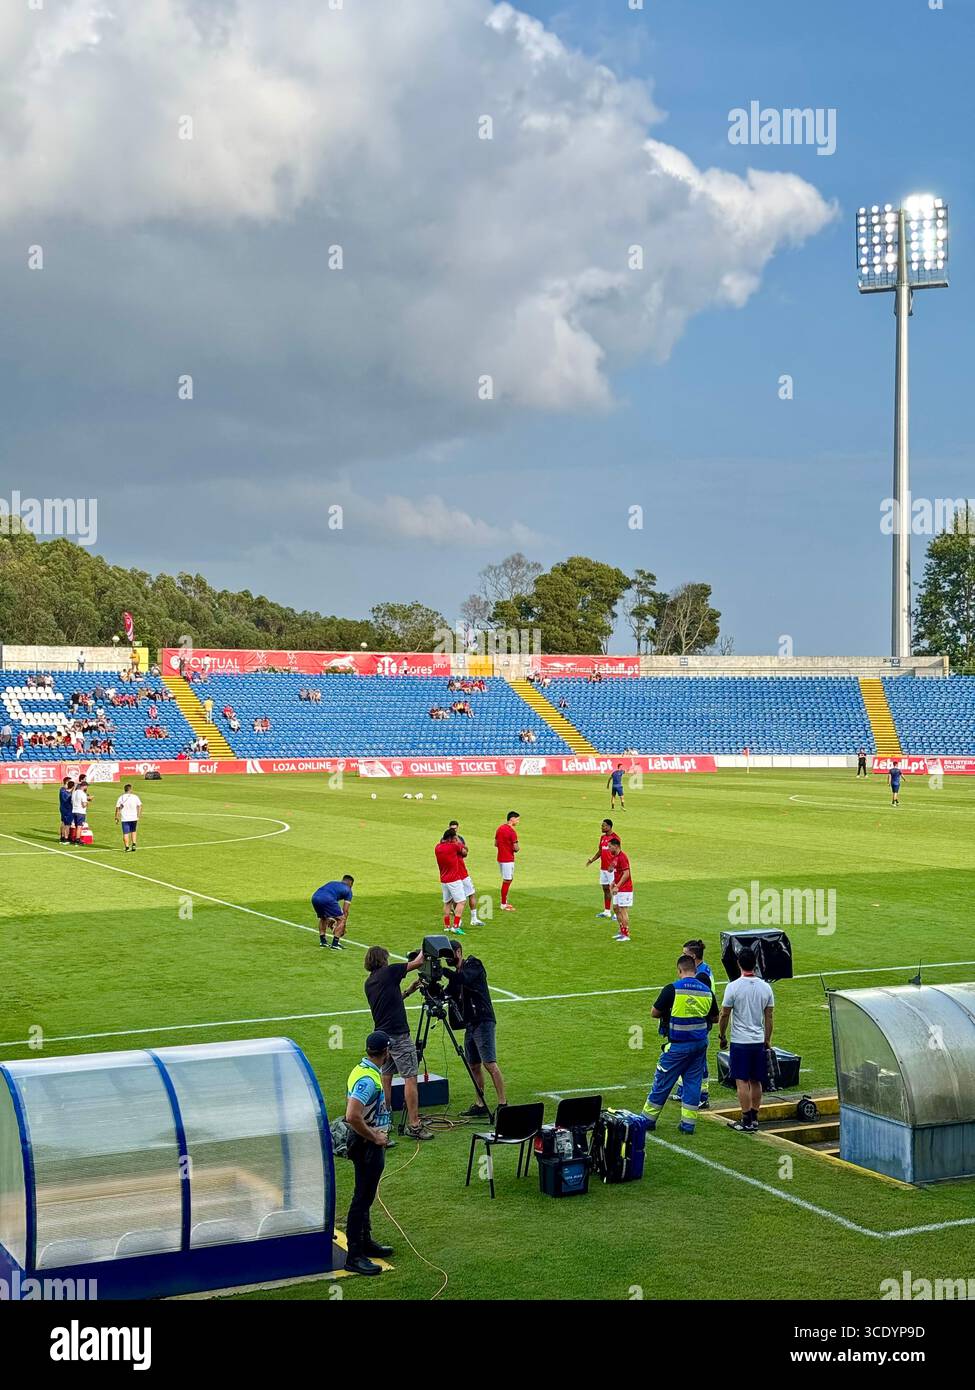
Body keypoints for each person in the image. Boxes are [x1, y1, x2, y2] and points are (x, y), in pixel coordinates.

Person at [363, 946, 433, 1140]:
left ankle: (386, 1120)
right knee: (410, 1077)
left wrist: (408, 992)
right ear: (382, 959)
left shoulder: (369, 983)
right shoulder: (390, 971)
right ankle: (414, 1124)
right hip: (400, 1035)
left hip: (383, 1037)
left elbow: (389, 1001)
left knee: (386, 1077)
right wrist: (426, 948)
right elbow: (418, 962)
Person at [643, 954, 717, 1135]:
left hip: (678, 1046)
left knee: (663, 1080)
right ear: (695, 969)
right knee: (693, 1083)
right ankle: (688, 1124)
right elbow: (714, 1018)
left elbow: (654, 1012)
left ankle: (647, 1120)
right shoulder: (706, 990)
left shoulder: (673, 989)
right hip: (699, 1045)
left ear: (679, 970)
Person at [343, 1031, 394, 1277]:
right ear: (386, 1052)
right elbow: (352, 1115)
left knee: (365, 1195)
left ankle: (365, 1242)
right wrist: (375, 1136)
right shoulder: (368, 1080)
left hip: (365, 1142)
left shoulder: (361, 1070)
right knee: (362, 1198)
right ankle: (354, 1255)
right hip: (366, 1145)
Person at [444, 940, 506, 1118]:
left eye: (449, 954)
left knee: (489, 1064)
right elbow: (447, 992)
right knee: (474, 1065)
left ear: (458, 952)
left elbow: (464, 978)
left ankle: (503, 1102)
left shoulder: (473, 964)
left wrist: (444, 972)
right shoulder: (456, 974)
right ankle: (480, 1104)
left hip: (483, 1020)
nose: (447, 958)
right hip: (470, 1024)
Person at [718, 947, 775, 1134]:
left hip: (740, 1042)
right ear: (755, 963)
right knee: (756, 1080)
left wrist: (722, 1035)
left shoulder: (733, 987)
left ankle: (745, 1119)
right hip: (758, 1040)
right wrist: (767, 1039)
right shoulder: (766, 987)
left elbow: (725, 1014)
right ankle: (755, 1117)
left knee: (741, 1080)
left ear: (738, 964)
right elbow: (769, 1016)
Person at [675, 939, 715, 1110]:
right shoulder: (700, 970)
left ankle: (702, 1095)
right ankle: (683, 1089)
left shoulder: (702, 975)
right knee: (687, 1055)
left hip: (700, 1022)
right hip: (697, 1020)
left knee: (699, 1059)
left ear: (692, 955)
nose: (682, 956)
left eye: (684, 954)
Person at [447, 821, 483, 928]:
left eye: (455, 828)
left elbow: (465, 852)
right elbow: (463, 851)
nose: (454, 830)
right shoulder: (446, 841)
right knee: (456, 899)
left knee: (471, 893)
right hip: (454, 874)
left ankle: (474, 918)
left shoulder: (460, 838)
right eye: (452, 828)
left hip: (462, 872)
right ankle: (459, 920)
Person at [435, 828, 467, 935]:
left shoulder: (437, 847)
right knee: (461, 901)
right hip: (454, 879)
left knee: (447, 902)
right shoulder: (454, 846)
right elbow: (464, 851)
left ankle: (447, 926)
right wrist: (457, 840)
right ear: (452, 838)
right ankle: (456, 926)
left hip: (443, 879)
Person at [585, 818, 618, 919]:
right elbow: (600, 851)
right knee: (605, 889)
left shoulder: (615, 838)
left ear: (609, 827)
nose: (602, 827)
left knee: (614, 890)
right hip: (603, 869)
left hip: (612, 869)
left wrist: (613, 865)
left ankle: (617, 913)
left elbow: (618, 853)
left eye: (603, 826)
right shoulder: (602, 838)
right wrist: (592, 860)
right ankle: (607, 911)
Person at [311, 875, 354, 949]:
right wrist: (343, 926)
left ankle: (323, 942)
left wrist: (331, 918)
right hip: (327, 899)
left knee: (323, 918)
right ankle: (335, 944)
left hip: (315, 897)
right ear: (350, 884)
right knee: (342, 919)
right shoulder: (348, 890)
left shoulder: (333, 883)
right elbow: (345, 911)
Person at [607, 835, 632, 941]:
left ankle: (626, 934)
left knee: (623, 910)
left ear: (616, 846)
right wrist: (613, 882)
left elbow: (626, 874)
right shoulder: (616, 857)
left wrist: (618, 886)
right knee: (616, 908)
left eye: (610, 847)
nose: (608, 849)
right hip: (619, 887)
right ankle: (621, 931)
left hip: (625, 888)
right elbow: (618, 873)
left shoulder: (622, 857)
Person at [494, 810, 520, 912]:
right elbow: (516, 848)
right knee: (507, 880)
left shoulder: (499, 828)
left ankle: (504, 902)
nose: (518, 821)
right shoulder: (511, 831)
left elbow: (496, 843)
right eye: (517, 819)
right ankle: (503, 904)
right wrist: (516, 848)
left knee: (508, 879)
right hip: (508, 859)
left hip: (500, 858)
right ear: (512, 819)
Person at [114, 783, 143, 852]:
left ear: (125, 790)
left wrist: (116, 817)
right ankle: (134, 845)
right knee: (133, 831)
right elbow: (140, 805)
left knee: (125, 833)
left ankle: (127, 847)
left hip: (125, 818)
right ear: (131, 789)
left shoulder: (121, 798)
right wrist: (138, 814)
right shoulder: (135, 797)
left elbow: (117, 808)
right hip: (133, 817)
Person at [70, 778, 89, 845]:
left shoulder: (74, 792)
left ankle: (74, 838)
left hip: (74, 810)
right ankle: (78, 839)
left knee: (76, 826)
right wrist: (88, 802)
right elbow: (84, 805)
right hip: (80, 811)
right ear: (84, 786)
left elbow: (72, 801)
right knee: (79, 826)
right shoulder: (83, 794)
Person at [58, 777, 74, 843]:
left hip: (63, 808)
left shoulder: (63, 790)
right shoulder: (63, 790)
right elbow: (67, 797)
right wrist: (73, 790)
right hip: (67, 808)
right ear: (67, 782)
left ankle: (62, 836)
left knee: (63, 822)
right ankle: (65, 838)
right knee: (67, 824)